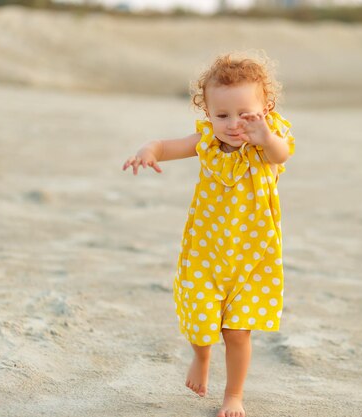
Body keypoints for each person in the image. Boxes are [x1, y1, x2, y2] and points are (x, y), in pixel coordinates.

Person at [122, 52, 295, 417]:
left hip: (252, 258)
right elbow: (167, 146)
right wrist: (148, 150)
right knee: (200, 322)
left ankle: (233, 395)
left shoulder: (267, 142)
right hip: (206, 253)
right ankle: (201, 357)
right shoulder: (206, 142)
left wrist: (263, 135)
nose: (234, 124)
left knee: (237, 331)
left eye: (245, 114)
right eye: (222, 115)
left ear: (266, 108)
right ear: (207, 113)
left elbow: (280, 156)